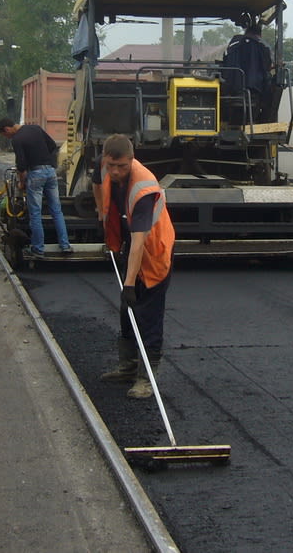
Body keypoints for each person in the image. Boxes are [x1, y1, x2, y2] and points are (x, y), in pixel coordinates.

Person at [96, 134, 176, 399]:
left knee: (147, 314)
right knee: (126, 311)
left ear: (132, 160)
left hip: (154, 250)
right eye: (111, 166)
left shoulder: (143, 189)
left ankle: (146, 379)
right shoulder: (104, 164)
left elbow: (140, 242)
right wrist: (101, 214)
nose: (115, 172)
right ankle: (128, 368)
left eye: (121, 167)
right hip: (133, 242)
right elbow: (97, 181)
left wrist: (129, 284)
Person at [0, 118, 72, 257]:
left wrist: (21, 183)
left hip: (36, 174)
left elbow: (21, 166)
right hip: (51, 172)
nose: (7, 137)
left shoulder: (17, 139)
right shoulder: (35, 128)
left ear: (7, 129)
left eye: (5, 135)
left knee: (35, 213)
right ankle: (65, 245)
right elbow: (52, 145)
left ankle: (38, 248)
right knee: (57, 211)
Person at [221, 21, 273, 123]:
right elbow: (267, 67)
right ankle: (263, 119)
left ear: (246, 32)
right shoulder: (263, 47)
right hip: (255, 92)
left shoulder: (233, 45)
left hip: (231, 91)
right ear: (259, 34)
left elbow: (225, 63)